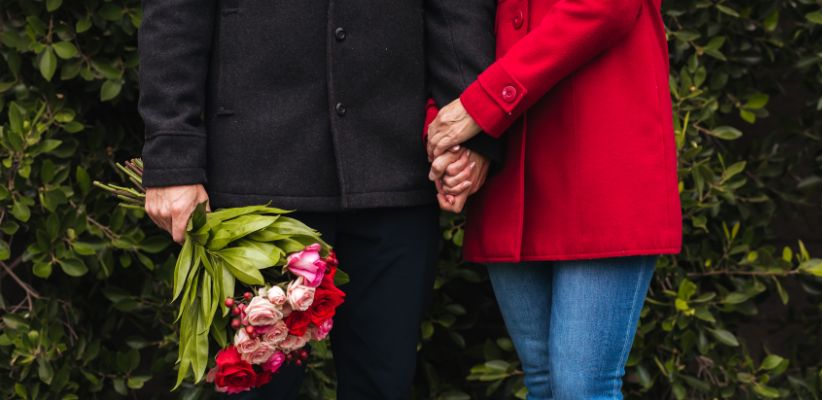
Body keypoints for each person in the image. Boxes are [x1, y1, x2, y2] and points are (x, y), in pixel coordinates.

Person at [136, 0, 498, 398]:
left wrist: (471, 124)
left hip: (394, 167)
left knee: (384, 384)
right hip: (255, 183)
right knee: (258, 392)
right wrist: (172, 158)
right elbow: (176, 11)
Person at [426, 0, 683, 398]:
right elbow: (455, 18)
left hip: (600, 150)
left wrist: (482, 105)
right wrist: (450, 132)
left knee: (581, 387)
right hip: (510, 164)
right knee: (543, 382)